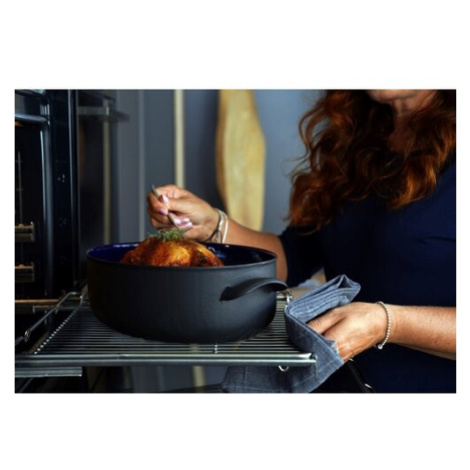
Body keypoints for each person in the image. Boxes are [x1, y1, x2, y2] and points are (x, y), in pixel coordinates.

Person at [147, 90, 456, 393]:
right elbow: (291, 257)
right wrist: (213, 225)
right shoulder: (356, 141)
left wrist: (386, 323)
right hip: (330, 386)